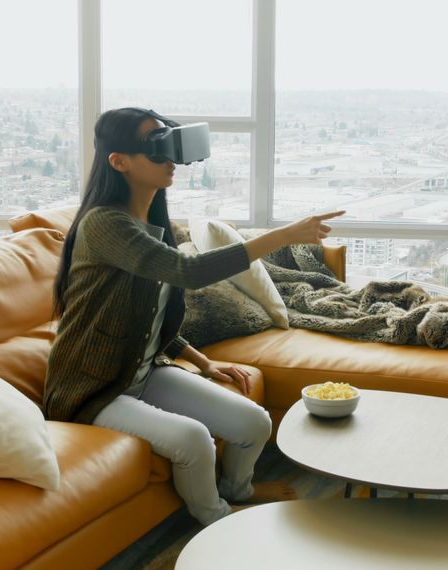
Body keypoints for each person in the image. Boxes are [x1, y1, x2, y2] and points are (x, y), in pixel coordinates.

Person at [42, 107, 344, 526]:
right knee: (193, 440)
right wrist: (282, 235)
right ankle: (219, 523)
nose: (169, 160)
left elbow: (150, 315)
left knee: (253, 422)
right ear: (119, 161)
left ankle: (238, 492)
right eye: (155, 148)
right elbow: (189, 272)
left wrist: (203, 361)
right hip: (94, 388)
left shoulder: (151, 221)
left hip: (144, 372)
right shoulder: (104, 225)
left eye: (169, 145)